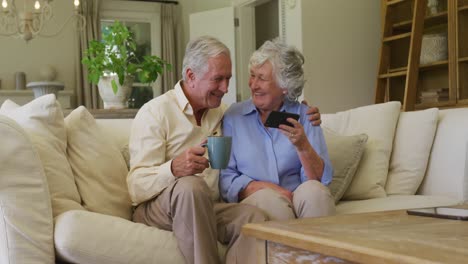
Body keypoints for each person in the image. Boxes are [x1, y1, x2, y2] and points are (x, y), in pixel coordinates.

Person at [127, 36, 322, 264]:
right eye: (218, 79)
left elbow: (268, 114)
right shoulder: (156, 112)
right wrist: (173, 168)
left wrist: (304, 112)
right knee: (191, 185)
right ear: (191, 76)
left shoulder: (224, 113)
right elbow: (135, 187)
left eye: (228, 79)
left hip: (208, 206)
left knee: (254, 217)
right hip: (160, 208)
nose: (225, 88)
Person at [219, 39, 335, 221]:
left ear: (284, 86)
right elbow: (227, 179)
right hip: (258, 196)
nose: (253, 84)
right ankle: (294, 249)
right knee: (271, 201)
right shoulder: (234, 117)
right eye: (252, 75)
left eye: (262, 78)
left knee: (316, 193)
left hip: (299, 195)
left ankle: (315, 248)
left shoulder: (305, 115)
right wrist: (274, 190)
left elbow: (319, 182)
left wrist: (303, 146)